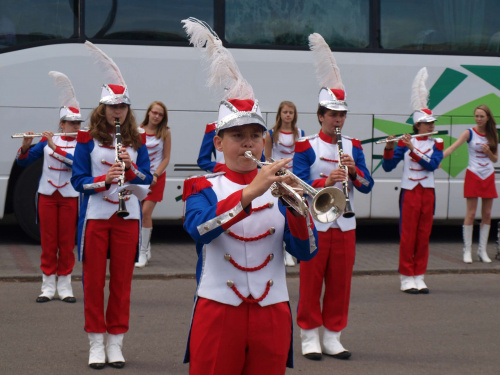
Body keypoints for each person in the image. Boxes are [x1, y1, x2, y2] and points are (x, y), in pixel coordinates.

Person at [182, 17, 318, 374]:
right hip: (218, 310)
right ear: (218, 142)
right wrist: (250, 192)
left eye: (255, 135)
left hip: (272, 311)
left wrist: (298, 211)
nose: (247, 142)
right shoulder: (202, 185)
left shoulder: (281, 185)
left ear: (264, 140)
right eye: (237, 135)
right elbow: (199, 230)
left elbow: (305, 252)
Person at [71, 41, 152, 369]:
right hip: (96, 216)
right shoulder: (85, 139)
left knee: (121, 282)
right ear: (102, 108)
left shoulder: (138, 139)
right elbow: (78, 182)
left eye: (122, 107)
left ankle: (116, 341)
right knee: (93, 282)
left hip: (127, 216)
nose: (117, 111)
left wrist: (129, 169)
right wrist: (103, 181)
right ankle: (95, 341)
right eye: (112, 106)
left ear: (127, 110)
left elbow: (147, 180)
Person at [293, 33, 374, 361]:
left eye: (342, 115)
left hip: (346, 224)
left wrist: (353, 172)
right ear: (320, 115)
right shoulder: (306, 145)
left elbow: (367, 186)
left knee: (340, 283)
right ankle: (309, 335)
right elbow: (296, 184)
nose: (337, 119)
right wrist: (325, 180)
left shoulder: (353, 145)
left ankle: (334, 335)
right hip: (316, 221)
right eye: (332, 114)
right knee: (312, 281)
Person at [16, 71, 82, 304]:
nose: (75, 126)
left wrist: (54, 146)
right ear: (61, 124)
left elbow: (75, 163)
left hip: (68, 196)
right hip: (46, 195)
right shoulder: (46, 140)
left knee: (66, 241)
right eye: (71, 122)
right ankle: (47, 285)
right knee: (48, 241)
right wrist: (25, 147)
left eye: (77, 123)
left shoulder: (81, 143)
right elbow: (24, 161)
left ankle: (65, 286)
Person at [382, 67, 444, 294]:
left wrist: (413, 150)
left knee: (424, 234)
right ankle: (406, 277)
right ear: (417, 125)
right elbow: (388, 167)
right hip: (409, 192)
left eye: (432, 122)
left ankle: (420, 275)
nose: (431, 126)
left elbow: (432, 164)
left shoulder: (436, 143)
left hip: (427, 191)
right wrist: (390, 148)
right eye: (427, 123)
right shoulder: (404, 142)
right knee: (408, 235)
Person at [443, 104, 498, 263]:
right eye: (477, 116)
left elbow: (495, 159)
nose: (479, 119)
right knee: (471, 214)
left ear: (488, 117)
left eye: (482, 116)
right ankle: (467, 250)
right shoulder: (469, 133)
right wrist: (437, 159)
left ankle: (482, 251)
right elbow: (452, 148)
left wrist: (488, 152)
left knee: (487, 214)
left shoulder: (493, 135)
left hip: (488, 174)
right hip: (473, 174)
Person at [265, 101, 305, 266]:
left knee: (293, 214)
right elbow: (267, 158)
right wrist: (278, 171)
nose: (288, 115)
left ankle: (290, 251)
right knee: (278, 214)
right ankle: (280, 250)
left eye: (291, 112)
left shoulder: (300, 132)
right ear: (279, 114)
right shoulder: (271, 133)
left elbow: (302, 156)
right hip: (278, 178)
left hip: (294, 179)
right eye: (285, 112)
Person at [135, 101, 171, 268]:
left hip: (156, 178)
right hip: (138, 177)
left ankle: (142, 253)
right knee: (137, 215)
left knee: (145, 213)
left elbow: (166, 158)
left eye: (160, 114)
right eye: (154, 112)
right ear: (148, 113)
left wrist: (156, 174)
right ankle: (145, 246)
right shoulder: (137, 130)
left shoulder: (166, 132)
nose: (156, 116)